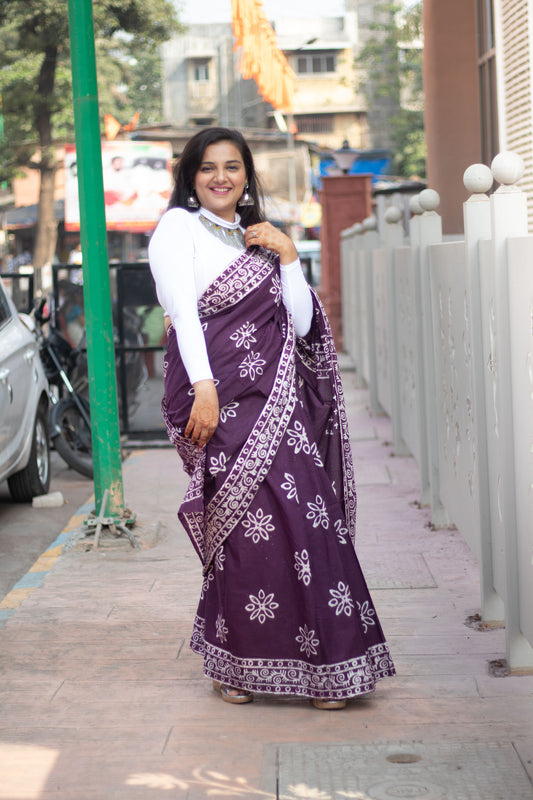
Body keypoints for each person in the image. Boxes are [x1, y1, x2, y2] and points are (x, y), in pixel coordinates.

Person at [148, 127, 395, 709]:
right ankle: (234, 664)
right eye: (208, 168)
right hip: (219, 400)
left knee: (311, 520)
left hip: (278, 405)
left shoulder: (262, 239)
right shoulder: (176, 228)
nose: (221, 178)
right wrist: (206, 391)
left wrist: (287, 258)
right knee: (241, 531)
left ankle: (332, 665)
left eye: (232, 167)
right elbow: (184, 313)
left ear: (246, 175)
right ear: (191, 176)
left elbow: (305, 327)